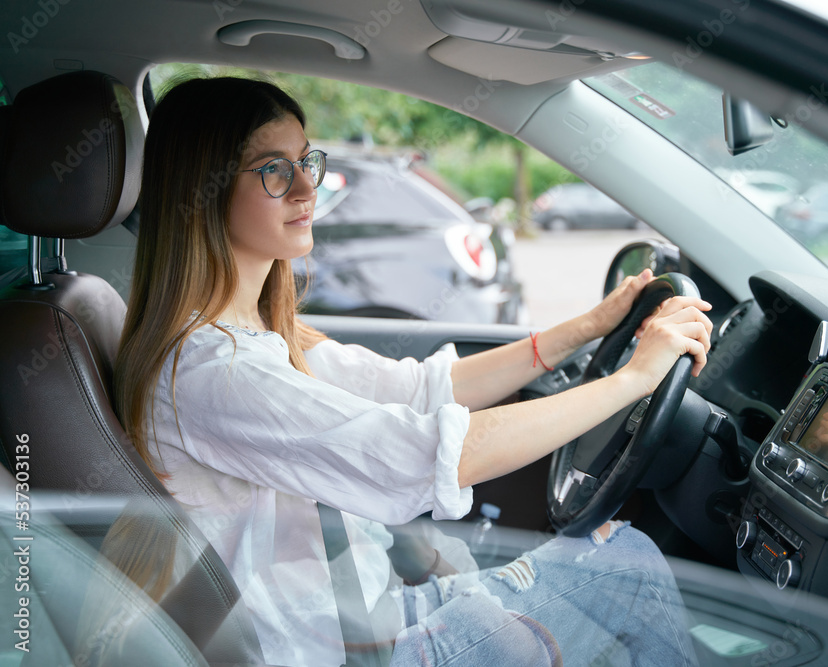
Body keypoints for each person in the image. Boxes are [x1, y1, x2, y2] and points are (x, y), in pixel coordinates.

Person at [113, 76, 713, 666]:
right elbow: (427, 454)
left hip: (367, 615)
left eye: (305, 161)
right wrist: (631, 381)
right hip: (338, 649)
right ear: (204, 192)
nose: (306, 188)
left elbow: (423, 390)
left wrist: (587, 327)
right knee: (627, 565)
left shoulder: (260, 338)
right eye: (273, 170)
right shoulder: (214, 371)